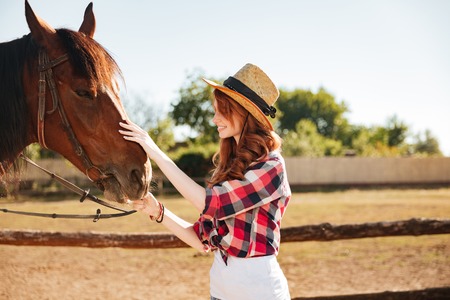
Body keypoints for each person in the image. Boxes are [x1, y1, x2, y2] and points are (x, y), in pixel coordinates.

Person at [119, 63, 291, 300]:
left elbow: (212, 204)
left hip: (258, 293)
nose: (214, 119)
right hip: (219, 292)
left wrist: (155, 152)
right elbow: (202, 239)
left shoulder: (271, 167)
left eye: (222, 111)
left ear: (244, 112)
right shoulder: (231, 167)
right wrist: (157, 210)